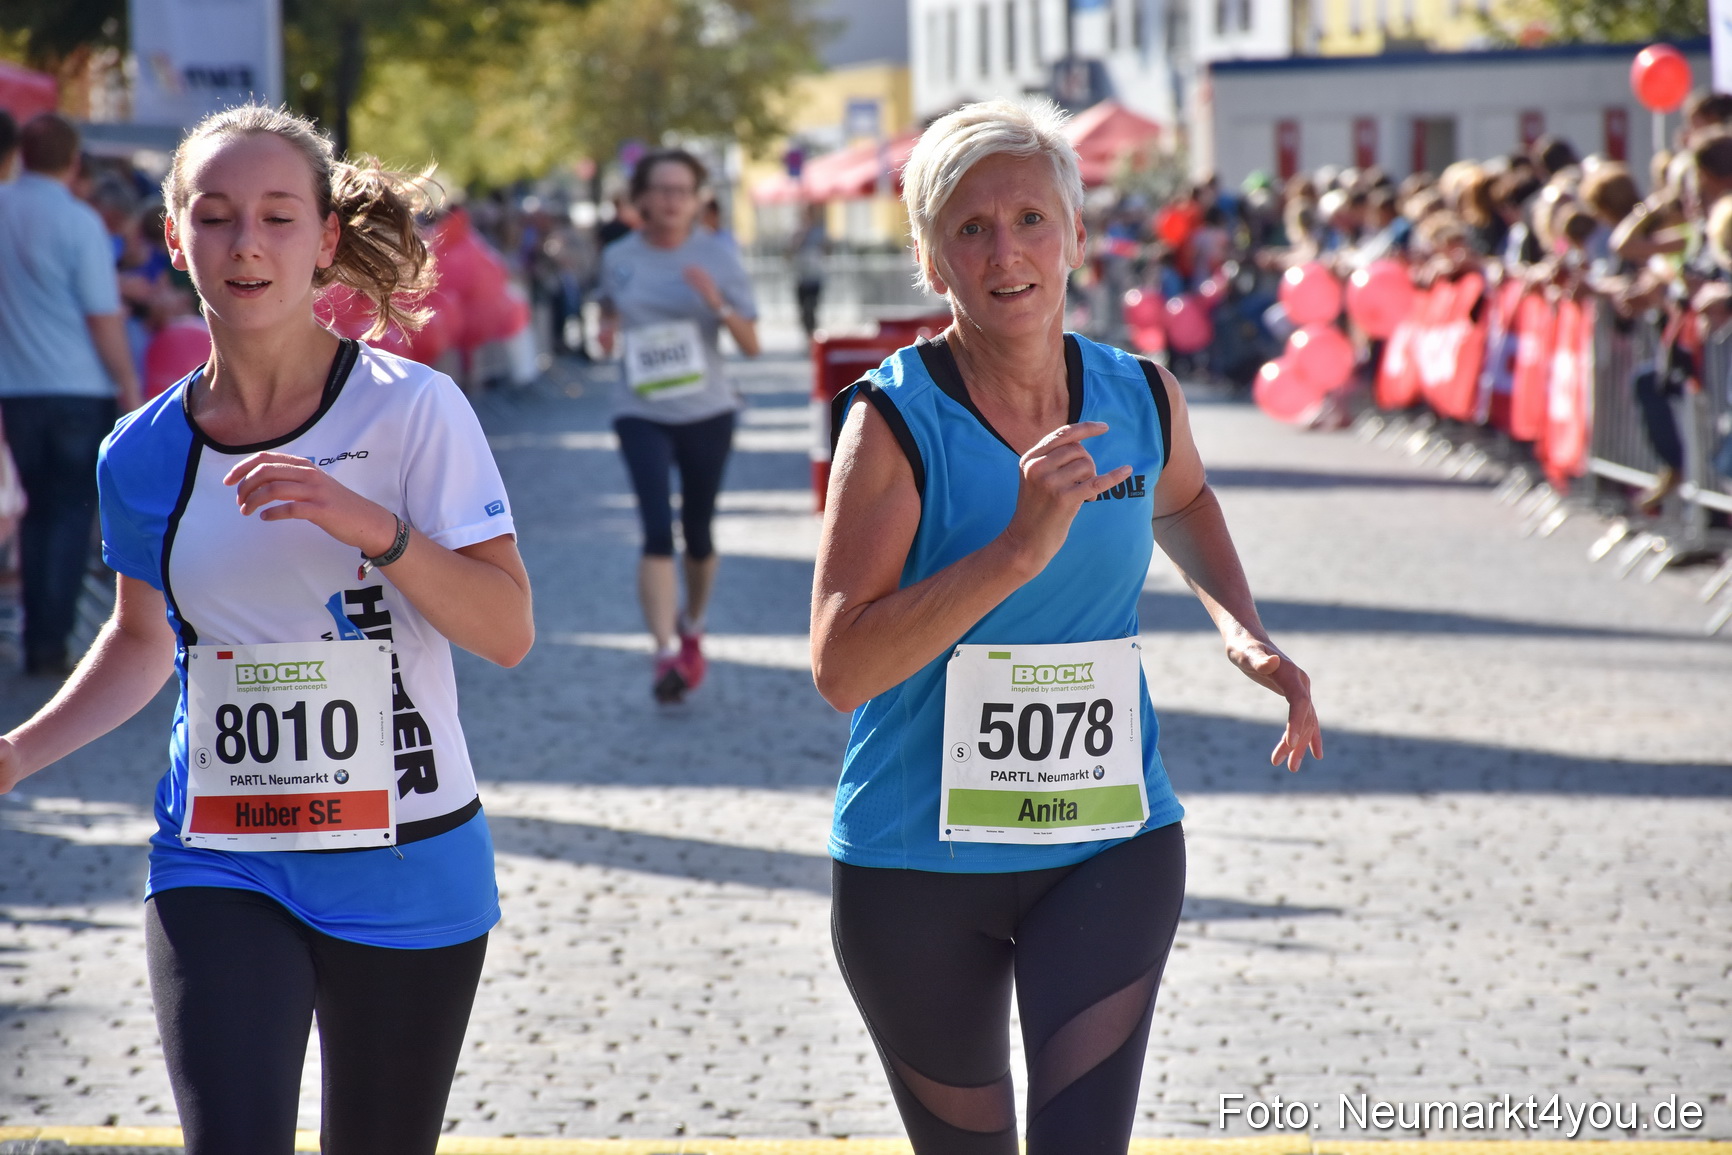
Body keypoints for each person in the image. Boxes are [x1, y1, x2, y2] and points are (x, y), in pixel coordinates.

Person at [0, 104, 533, 1154]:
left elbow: (507, 629)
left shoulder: (412, 412)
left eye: (279, 216)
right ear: (173, 238)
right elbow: (143, 640)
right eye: (217, 215)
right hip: (220, 852)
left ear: (324, 239)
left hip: (406, 857)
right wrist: (17, 752)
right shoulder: (139, 452)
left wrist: (378, 532)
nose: (246, 243)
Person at [810, 98, 1322, 1155]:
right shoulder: (895, 420)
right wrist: (1013, 551)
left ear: (1078, 235)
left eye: (1032, 219)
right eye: (970, 228)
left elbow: (1183, 503)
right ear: (930, 258)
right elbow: (842, 666)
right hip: (917, 868)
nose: (1008, 253)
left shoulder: (1138, 394)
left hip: (1109, 843)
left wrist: (1237, 626)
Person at [597, 148, 759, 703]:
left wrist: (717, 304)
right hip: (639, 409)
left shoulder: (719, 257)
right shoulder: (618, 255)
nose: (670, 201)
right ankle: (664, 651)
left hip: (707, 410)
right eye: (660, 190)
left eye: (681, 191)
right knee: (655, 529)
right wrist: (606, 328)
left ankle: (693, 622)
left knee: (699, 530)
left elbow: (752, 345)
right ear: (640, 197)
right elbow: (610, 307)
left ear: (697, 200)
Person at [0, 113, 142, 676]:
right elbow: (102, 315)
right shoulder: (78, 221)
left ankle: (36, 630)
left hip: (14, 389)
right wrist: (128, 383)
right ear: (74, 161)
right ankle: (48, 641)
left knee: (29, 513)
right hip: (76, 388)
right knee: (65, 514)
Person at [791, 202, 828, 342]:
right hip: (801, 277)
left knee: (812, 308)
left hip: (816, 276)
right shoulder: (797, 231)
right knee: (803, 310)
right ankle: (807, 336)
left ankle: (812, 337)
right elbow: (790, 250)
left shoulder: (819, 231)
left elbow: (827, 249)